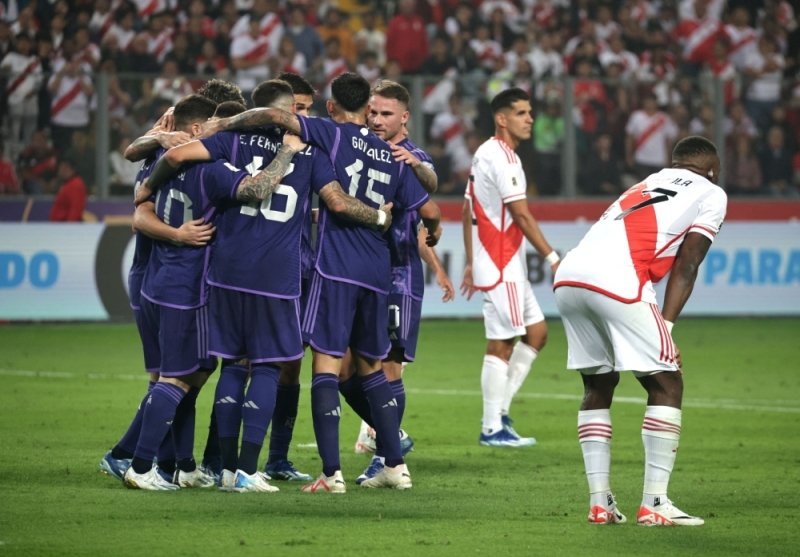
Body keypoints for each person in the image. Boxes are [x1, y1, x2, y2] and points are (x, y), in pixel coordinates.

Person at [200, 72, 439, 492]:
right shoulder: (390, 154)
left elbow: (329, 194)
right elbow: (429, 203)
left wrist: (224, 123)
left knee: (323, 365)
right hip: (379, 272)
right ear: (367, 109)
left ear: (329, 108)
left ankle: (330, 474)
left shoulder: (328, 136)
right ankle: (394, 465)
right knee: (373, 367)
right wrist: (414, 226)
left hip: (334, 268)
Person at [553, 135, 727, 526]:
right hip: (618, 277)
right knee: (667, 383)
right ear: (712, 169)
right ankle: (654, 503)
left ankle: (600, 504)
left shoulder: (647, 181)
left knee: (598, 385)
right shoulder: (712, 193)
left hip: (569, 275)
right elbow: (688, 263)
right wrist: (666, 326)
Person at [98, 96, 219, 487]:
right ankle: (132, 459)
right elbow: (138, 215)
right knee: (171, 378)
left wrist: (154, 139)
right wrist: (179, 234)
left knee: (195, 370)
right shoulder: (173, 162)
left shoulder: (165, 158)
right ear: (197, 127)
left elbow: (138, 170)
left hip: (163, 279)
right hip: (163, 278)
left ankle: (178, 465)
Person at [349, 79, 454, 483]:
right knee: (350, 368)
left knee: (388, 370)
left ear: (404, 117)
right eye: (372, 112)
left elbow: (428, 183)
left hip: (398, 276)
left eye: (386, 114)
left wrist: (412, 164)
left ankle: (389, 459)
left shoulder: (412, 156)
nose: (376, 120)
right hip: (363, 270)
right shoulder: (365, 149)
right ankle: (392, 438)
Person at [461, 87, 559, 448]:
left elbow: (467, 208)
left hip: (500, 260)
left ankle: (499, 413)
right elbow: (521, 214)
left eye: (529, 112)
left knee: (537, 333)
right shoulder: (502, 158)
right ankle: (491, 428)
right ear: (501, 119)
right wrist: (553, 257)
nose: (530, 118)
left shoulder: (486, 153)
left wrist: (471, 262)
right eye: (521, 113)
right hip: (502, 263)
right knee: (501, 343)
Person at [49, 157, 87, 221]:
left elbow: (76, 208)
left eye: (64, 167)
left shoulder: (75, 184)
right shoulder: (67, 184)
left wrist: (69, 227)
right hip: (60, 226)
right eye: (60, 167)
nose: (60, 170)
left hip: (66, 227)